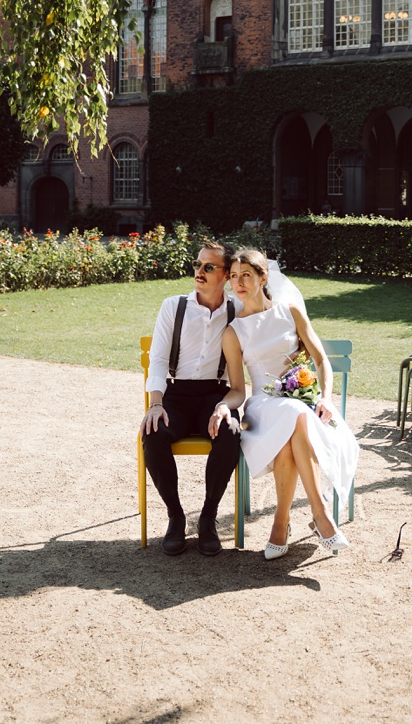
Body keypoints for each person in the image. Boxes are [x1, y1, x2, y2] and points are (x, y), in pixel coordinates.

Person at [222, 248, 359, 560]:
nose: (238, 282)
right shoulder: (233, 332)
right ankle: (321, 515)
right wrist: (222, 405)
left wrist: (325, 396)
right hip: (262, 407)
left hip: (304, 401)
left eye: (246, 275)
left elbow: (321, 359)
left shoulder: (291, 312)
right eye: (233, 276)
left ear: (263, 277)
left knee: (289, 437)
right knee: (294, 414)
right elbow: (239, 390)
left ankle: (280, 525)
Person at [139, 238, 246, 557]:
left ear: (226, 275)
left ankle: (209, 517)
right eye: (197, 264)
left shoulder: (238, 310)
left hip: (216, 395)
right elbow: (158, 359)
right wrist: (156, 403)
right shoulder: (174, 306)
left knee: (230, 433)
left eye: (208, 266)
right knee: (153, 432)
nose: (199, 271)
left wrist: (226, 406)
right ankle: (175, 516)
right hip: (175, 394)